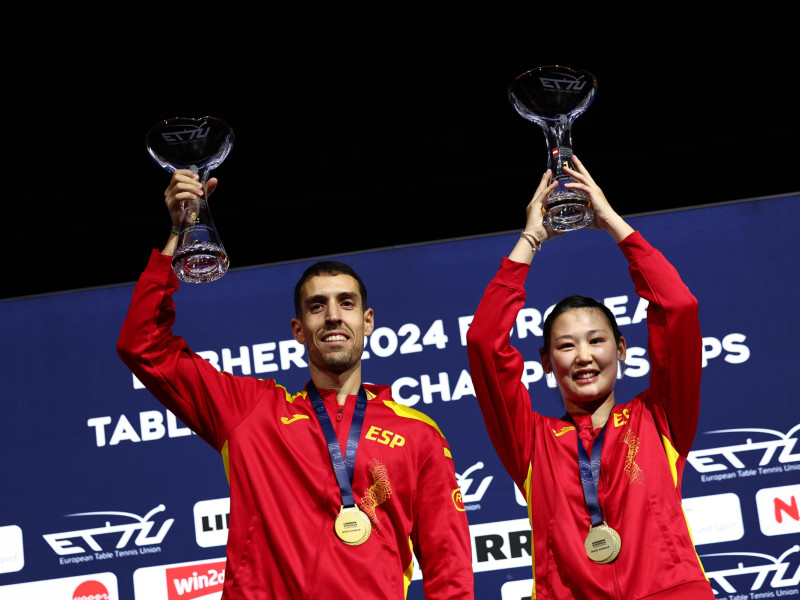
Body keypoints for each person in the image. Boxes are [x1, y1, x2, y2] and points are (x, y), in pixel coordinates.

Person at [117, 169, 474, 599]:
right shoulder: (250, 412)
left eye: (347, 303)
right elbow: (142, 343)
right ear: (298, 329)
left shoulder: (418, 435)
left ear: (367, 321)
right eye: (317, 307)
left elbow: (449, 570)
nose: (334, 316)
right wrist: (178, 231)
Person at [465, 156, 714, 599]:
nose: (583, 356)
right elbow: (485, 341)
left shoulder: (660, 419)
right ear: (545, 361)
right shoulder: (530, 442)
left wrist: (614, 223)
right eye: (566, 346)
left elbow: (678, 309)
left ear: (620, 349)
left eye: (596, 341)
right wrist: (531, 238)